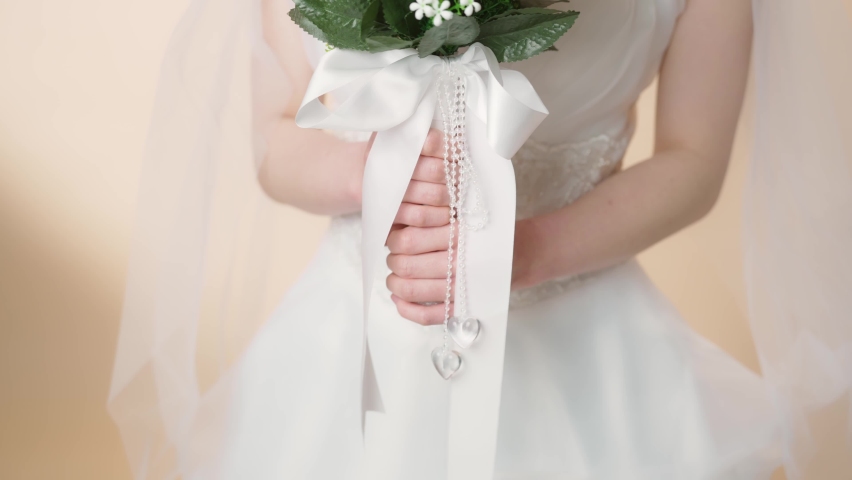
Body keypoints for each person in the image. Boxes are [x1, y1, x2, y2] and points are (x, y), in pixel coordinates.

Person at [108, 0, 852, 478]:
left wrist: (516, 255)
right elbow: (272, 137)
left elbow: (693, 160)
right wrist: (382, 176)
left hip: (589, 348)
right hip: (354, 342)